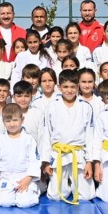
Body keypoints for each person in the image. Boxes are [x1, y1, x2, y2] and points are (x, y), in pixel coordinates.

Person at [42, 69, 97, 205]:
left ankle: (75, 186)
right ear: (59, 87)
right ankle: (65, 186)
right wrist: (46, 161)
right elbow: (46, 134)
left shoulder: (85, 107)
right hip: (58, 153)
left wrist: (89, 161)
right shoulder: (52, 106)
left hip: (78, 153)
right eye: (65, 87)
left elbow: (90, 137)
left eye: (73, 87)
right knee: (55, 195)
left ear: (78, 87)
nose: (69, 90)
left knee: (86, 195)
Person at [0, 103, 41, 208]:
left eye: (15, 120)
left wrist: (28, 178)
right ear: (3, 122)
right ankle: (12, 194)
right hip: (6, 178)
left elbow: (35, 161)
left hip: (24, 177)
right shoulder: (0, 140)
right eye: (8, 121)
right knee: (4, 203)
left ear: (22, 120)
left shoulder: (29, 139)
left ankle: (32, 191)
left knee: (25, 203)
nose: (12, 124)